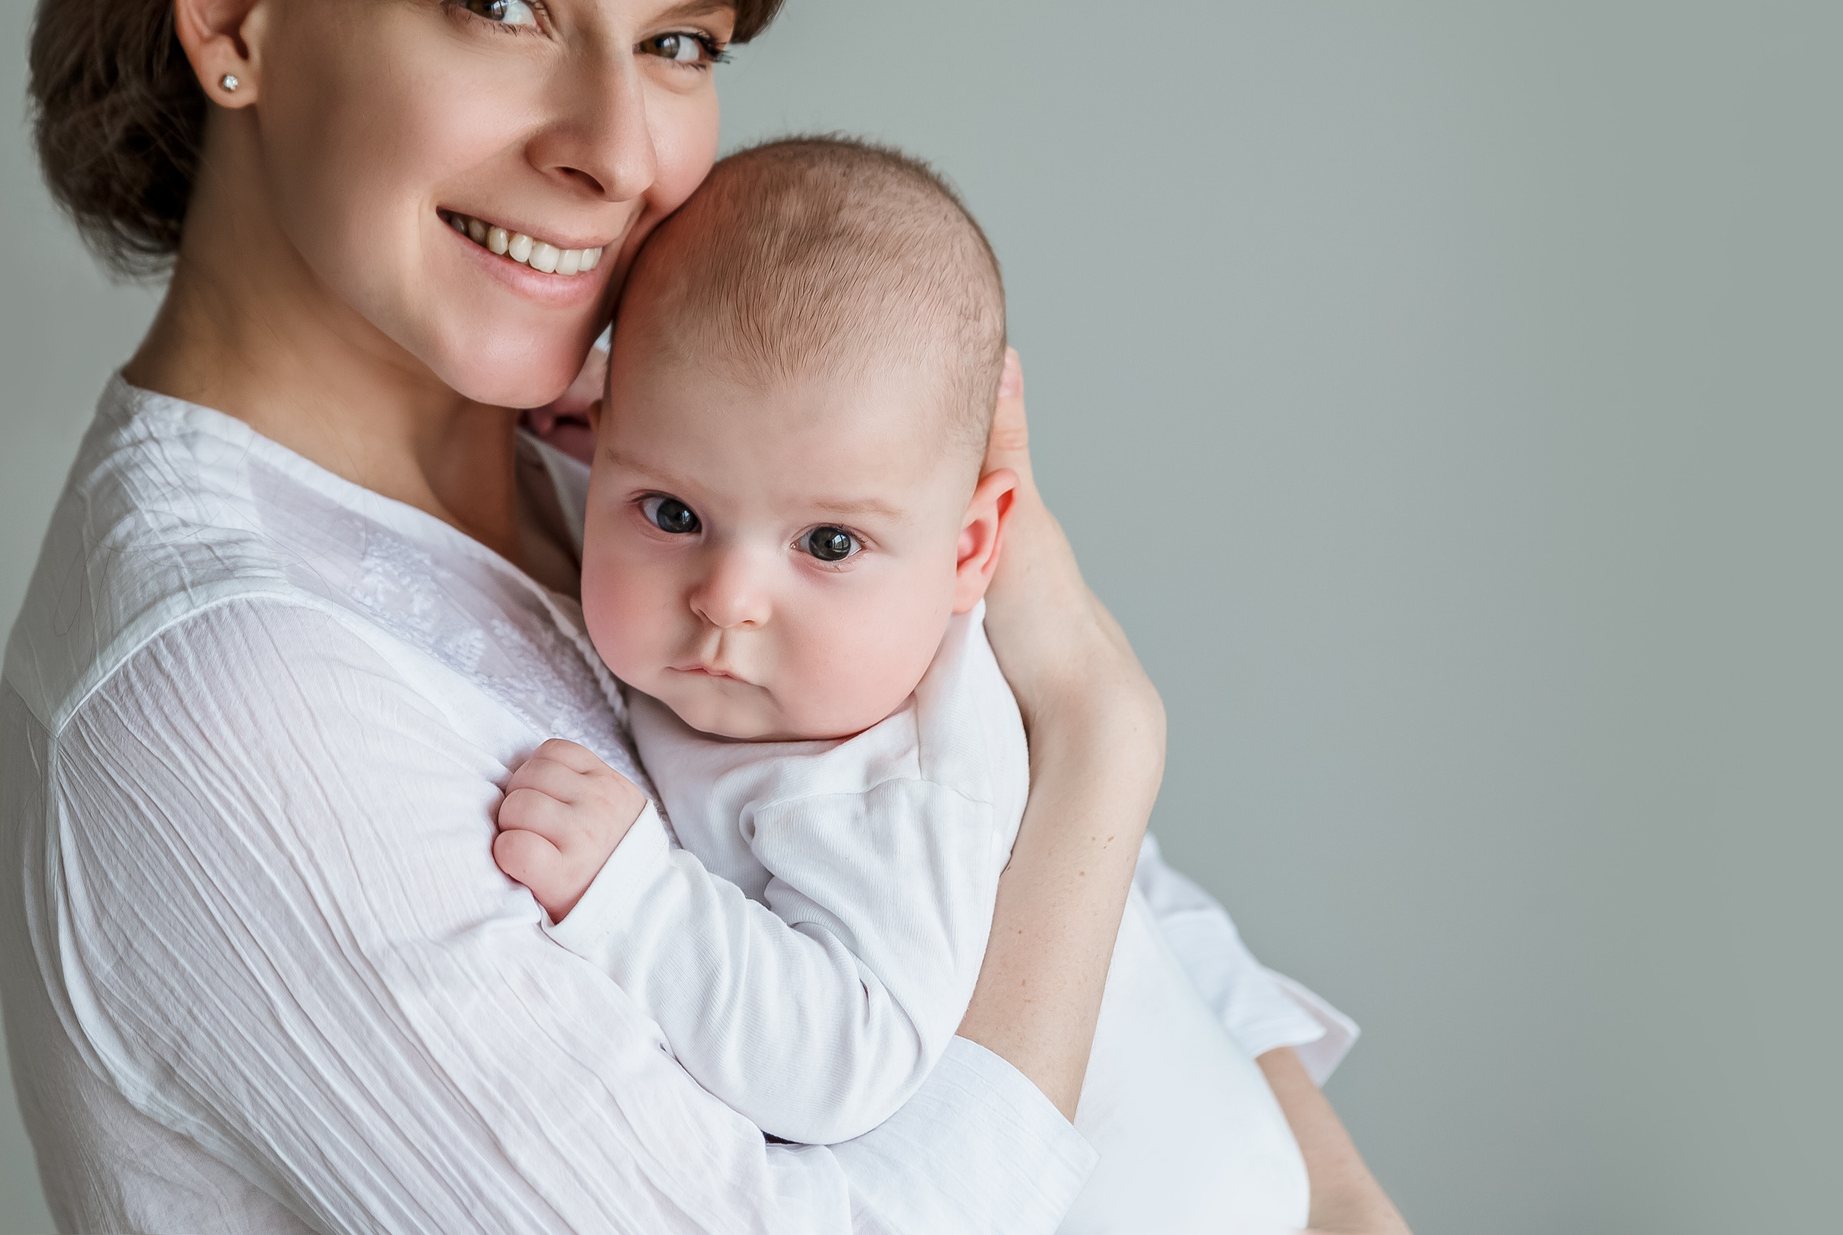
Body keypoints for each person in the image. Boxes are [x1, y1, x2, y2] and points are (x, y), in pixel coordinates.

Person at [0, 0, 1408, 1234]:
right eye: (502, 4)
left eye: (676, 41)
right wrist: (1105, 733)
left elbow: (1064, 901)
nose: (614, 144)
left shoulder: (659, 453)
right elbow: (1058, 821)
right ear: (237, 14)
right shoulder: (228, 699)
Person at [490, 138, 1326, 1232]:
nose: (727, 598)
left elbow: (849, 1055)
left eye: (827, 544)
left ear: (970, 553)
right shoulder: (824, 655)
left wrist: (640, 906)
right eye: (674, 513)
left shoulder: (888, 788)